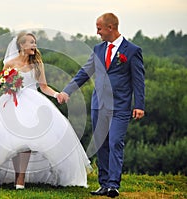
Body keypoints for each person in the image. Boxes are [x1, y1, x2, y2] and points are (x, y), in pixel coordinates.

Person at [0, 31, 92, 189]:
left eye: (35, 42)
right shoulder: (9, 63)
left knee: (27, 141)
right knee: (14, 141)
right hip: (12, 102)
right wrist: (7, 85)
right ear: (21, 45)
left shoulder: (37, 64)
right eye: (30, 42)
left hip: (33, 103)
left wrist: (57, 95)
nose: (34, 45)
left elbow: (43, 86)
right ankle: (15, 176)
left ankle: (20, 179)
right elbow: (1, 83)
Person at [57, 13, 145, 198]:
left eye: (99, 28)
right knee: (101, 144)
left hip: (120, 106)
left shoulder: (132, 50)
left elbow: (138, 80)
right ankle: (104, 184)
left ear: (110, 28)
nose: (97, 32)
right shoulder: (98, 49)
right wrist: (67, 91)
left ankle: (114, 185)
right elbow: (85, 72)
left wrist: (139, 105)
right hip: (99, 105)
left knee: (115, 142)